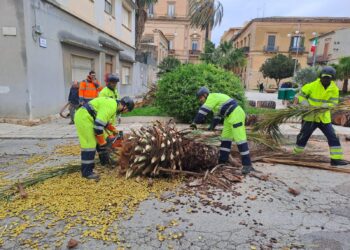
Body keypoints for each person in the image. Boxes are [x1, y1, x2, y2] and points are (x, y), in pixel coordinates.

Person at [190, 87, 255, 175]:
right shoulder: (214, 102)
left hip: (236, 114)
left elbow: (203, 111)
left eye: (200, 98)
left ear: (205, 95)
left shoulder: (211, 98)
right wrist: (211, 127)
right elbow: (217, 116)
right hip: (228, 117)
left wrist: (194, 122)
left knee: (240, 140)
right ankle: (222, 161)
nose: (200, 100)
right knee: (225, 138)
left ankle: (247, 165)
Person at [293, 66, 348, 166]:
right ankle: (295, 156)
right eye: (324, 77)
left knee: (333, 137)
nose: (326, 79)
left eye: (328, 77)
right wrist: (306, 104)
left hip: (324, 118)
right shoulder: (312, 85)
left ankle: (335, 160)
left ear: (332, 78)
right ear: (321, 76)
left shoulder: (334, 89)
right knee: (303, 137)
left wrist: (324, 106)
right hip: (310, 117)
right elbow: (300, 95)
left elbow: (334, 103)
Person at [74, 96, 135, 180]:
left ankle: (105, 162)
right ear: (125, 106)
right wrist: (102, 141)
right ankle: (87, 172)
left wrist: (112, 129)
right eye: (127, 111)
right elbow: (98, 126)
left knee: (99, 140)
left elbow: (102, 120)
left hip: (89, 117)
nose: (125, 112)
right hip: (84, 117)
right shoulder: (111, 106)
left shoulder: (113, 106)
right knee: (89, 145)